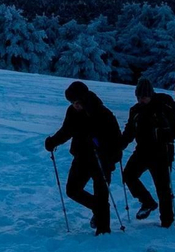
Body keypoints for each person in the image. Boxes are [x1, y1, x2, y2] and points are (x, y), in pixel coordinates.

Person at [44, 81, 123, 235]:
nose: (75, 105)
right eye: (72, 103)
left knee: (101, 192)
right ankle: (97, 208)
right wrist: (53, 141)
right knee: (72, 190)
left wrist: (109, 155)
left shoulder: (102, 113)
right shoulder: (72, 112)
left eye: (77, 102)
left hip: (101, 160)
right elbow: (67, 130)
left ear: (84, 99)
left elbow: (116, 139)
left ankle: (103, 230)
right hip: (82, 157)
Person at [121, 78, 175, 227]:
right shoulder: (135, 111)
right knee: (129, 175)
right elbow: (129, 132)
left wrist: (167, 133)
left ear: (150, 95)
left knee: (163, 189)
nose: (141, 100)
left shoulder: (162, 109)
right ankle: (147, 202)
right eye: (138, 97)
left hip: (161, 153)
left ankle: (167, 221)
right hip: (142, 150)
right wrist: (118, 146)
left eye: (144, 97)